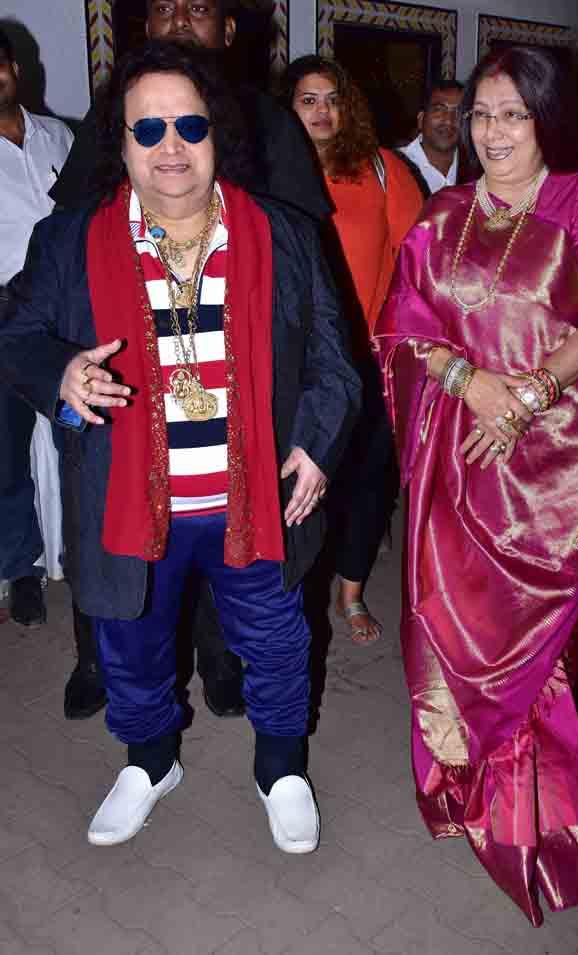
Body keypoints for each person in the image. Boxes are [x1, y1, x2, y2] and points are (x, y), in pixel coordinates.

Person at [0, 41, 360, 850]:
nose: (171, 145)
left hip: (256, 496)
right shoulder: (69, 242)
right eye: (148, 127)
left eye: (190, 125)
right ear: (121, 142)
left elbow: (336, 366)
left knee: (277, 644)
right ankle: (150, 761)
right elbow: (14, 334)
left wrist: (315, 446)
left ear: (217, 133)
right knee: (130, 648)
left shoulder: (285, 235)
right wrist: (60, 372)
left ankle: (281, 768)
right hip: (125, 497)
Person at [374, 46, 578, 925]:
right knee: (448, 624)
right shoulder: (443, 212)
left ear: (544, 119)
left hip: (554, 465)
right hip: (456, 456)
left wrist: (528, 394)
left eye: (512, 113)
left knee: (539, 654)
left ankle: (538, 825)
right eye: (480, 114)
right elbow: (402, 321)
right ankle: (464, 786)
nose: (491, 132)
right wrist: (467, 381)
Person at [50, 0, 332, 722]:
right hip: (124, 426)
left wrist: (313, 429)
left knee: (248, 583)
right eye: (164, 6)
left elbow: (311, 309)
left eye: (197, 7)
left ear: (228, 31)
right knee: (123, 588)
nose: (178, 18)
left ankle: (222, 662)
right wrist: (61, 366)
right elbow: (42, 292)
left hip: (243, 414)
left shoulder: (268, 135)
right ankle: (105, 674)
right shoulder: (95, 169)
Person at [283, 55, 423, 643]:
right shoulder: (266, 172)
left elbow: (419, 261)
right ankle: (294, 593)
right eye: (308, 99)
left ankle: (352, 590)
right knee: (298, 483)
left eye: (332, 99)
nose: (322, 111)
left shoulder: (382, 168)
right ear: (287, 108)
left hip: (369, 360)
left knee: (367, 482)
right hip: (294, 364)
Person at [0, 26, 72, 627]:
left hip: (64, 311)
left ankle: (81, 546)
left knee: (78, 432)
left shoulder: (59, 136)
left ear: (14, 70)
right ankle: (20, 567)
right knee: (6, 448)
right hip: (3, 315)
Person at [397, 80, 466, 196]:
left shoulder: (476, 172)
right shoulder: (396, 167)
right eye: (439, 110)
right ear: (421, 119)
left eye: (458, 112)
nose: (449, 120)